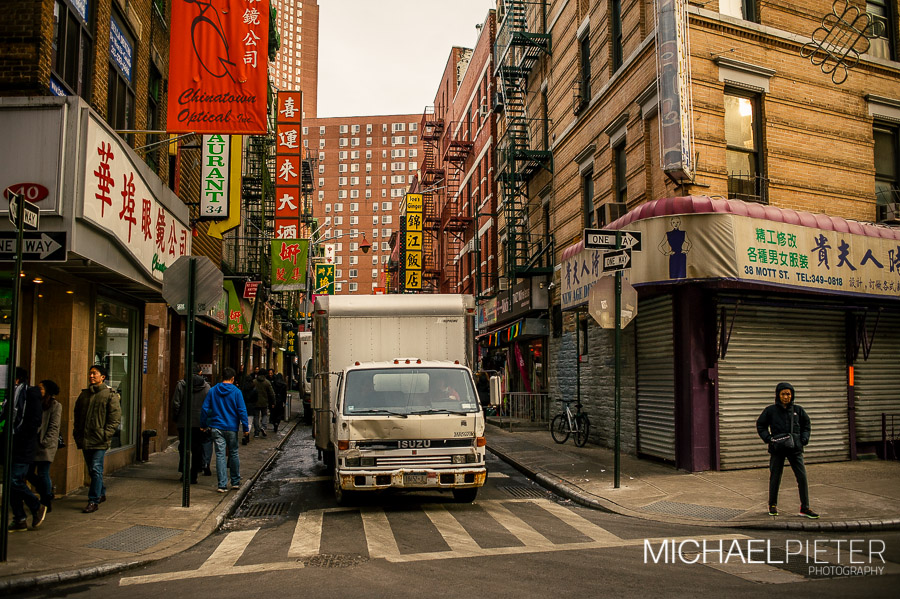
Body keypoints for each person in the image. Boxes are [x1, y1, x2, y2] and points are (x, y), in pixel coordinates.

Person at [756, 382, 818, 519]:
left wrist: (804, 439)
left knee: (802, 477)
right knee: (775, 477)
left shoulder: (798, 410)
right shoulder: (770, 410)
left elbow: (806, 425)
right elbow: (761, 425)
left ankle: (805, 507)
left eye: (788, 394)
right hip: (777, 449)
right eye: (783, 394)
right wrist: (768, 439)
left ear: (792, 395)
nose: (786, 397)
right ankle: (772, 505)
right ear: (778, 395)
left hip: (795, 449)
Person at [73, 364, 121, 514]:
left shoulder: (109, 395)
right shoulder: (84, 395)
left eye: (95, 373)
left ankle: (93, 500)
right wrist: (77, 433)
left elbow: (115, 418)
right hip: (85, 438)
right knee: (92, 470)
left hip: (100, 440)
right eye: (90, 373)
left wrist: (105, 434)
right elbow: (77, 415)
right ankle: (101, 492)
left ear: (103, 377)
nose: (91, 376)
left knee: (95, 468)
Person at [200, 367, 249, 493]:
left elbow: (205, 408)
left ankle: (222, 484)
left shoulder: (213, 390)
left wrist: (203, 424)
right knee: (233, 453)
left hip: (217, 427)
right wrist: (245, 427)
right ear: (232, 378)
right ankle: (235, 481)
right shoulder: (237, 392)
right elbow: (242, 410)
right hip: (231, 427)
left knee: (220, 455)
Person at [8, 368, 45, 532]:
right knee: (12, 484)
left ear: (17, 379)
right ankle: (19, 518)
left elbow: (35, 422)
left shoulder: (30, 395)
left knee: (14, 480)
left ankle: (36, 506)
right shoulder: (10, 396)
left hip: (23, 446)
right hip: (12, 445)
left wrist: (20, 435)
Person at [26, 379, 62, 514]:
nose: (38, 390)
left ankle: (46, 499)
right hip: (32, 444)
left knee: (43, 472)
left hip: (45, 445)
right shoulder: (35, 402)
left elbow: (54, 426)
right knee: (28, 472)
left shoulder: (55, 405)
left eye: (41, 388)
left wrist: (45, 442)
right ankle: (46, 492)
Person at [172, 364, 210, 484]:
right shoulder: (206, 387)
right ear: (200, 373)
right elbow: (209, 405)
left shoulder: (181, 385)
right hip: (200, 422)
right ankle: (194, 475)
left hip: (184, 422)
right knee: (197, 448)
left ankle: (184, 473)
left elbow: (176, 404)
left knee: (184, 447)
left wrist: (176, 417)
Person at [252, 372, 275, 437]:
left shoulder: (254, 382)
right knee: (264, 415)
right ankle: (263, 427)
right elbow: (271, 393)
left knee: (256, 416)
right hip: (264, 402)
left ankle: (256, 432)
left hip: (255, 402)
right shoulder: (267, 382)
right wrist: (273, 402)